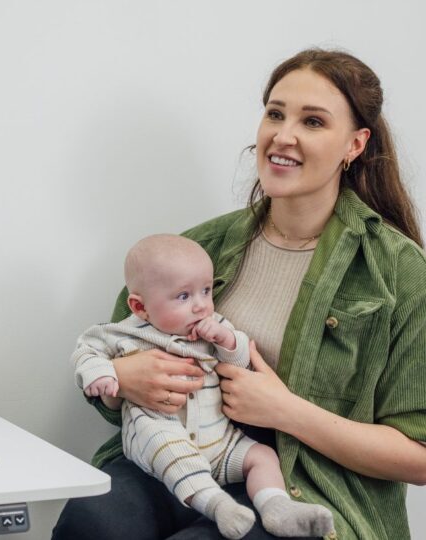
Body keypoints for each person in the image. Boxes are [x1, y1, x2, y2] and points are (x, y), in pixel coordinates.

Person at [54, 49, 426, 540]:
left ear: (355, 145)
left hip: (306, 486)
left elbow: (419, 458)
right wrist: (123, 377)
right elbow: (113, 360)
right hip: (177, 457)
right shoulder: (200, 249)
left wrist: (284, 410)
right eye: (275, 113)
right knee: (91, 521)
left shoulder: (398, 272)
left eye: (312, 121)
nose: (283, 135)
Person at [72, 234, 333, 539]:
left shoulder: (213, 327)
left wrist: (227, 340)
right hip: (159, 433)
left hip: (220, 442)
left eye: (206, 291)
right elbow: (85, 352)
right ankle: (218, 506)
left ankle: (276, 506)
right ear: (140, 307)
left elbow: (239, 361)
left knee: (261, 456)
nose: (201, 306)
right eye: (183, 296)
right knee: (171, 452)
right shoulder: (122, 333)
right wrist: (107, 374)